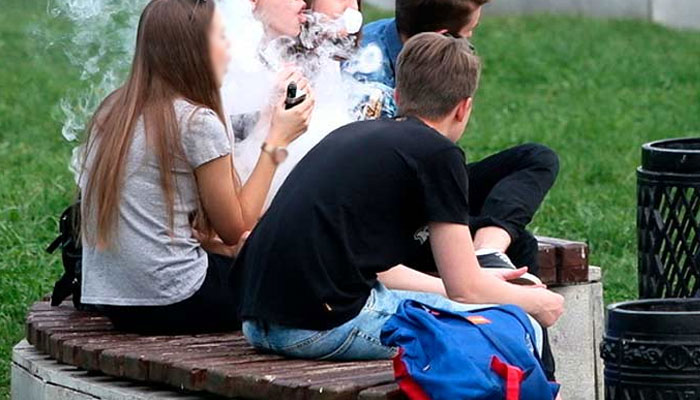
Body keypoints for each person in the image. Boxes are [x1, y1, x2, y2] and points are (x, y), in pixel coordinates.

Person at [235, 33, 564, 363]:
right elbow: (465, 289)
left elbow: (384, 272)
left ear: (398, 94)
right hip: (323, 328)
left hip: (258, 324)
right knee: (517, 327)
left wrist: (479, 279)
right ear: (463, 108)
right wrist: (538, 303)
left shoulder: (353, 135)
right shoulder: (438, 154)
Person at [77, 0, 314, 335]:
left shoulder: (112, 111)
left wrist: (265, 118)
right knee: (294, 276)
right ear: (194, 51)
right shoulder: (196, 122)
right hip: (177, 298)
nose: (230, 46)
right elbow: (237, 226)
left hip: (114, 301)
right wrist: (278, 140)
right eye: (221, 36)